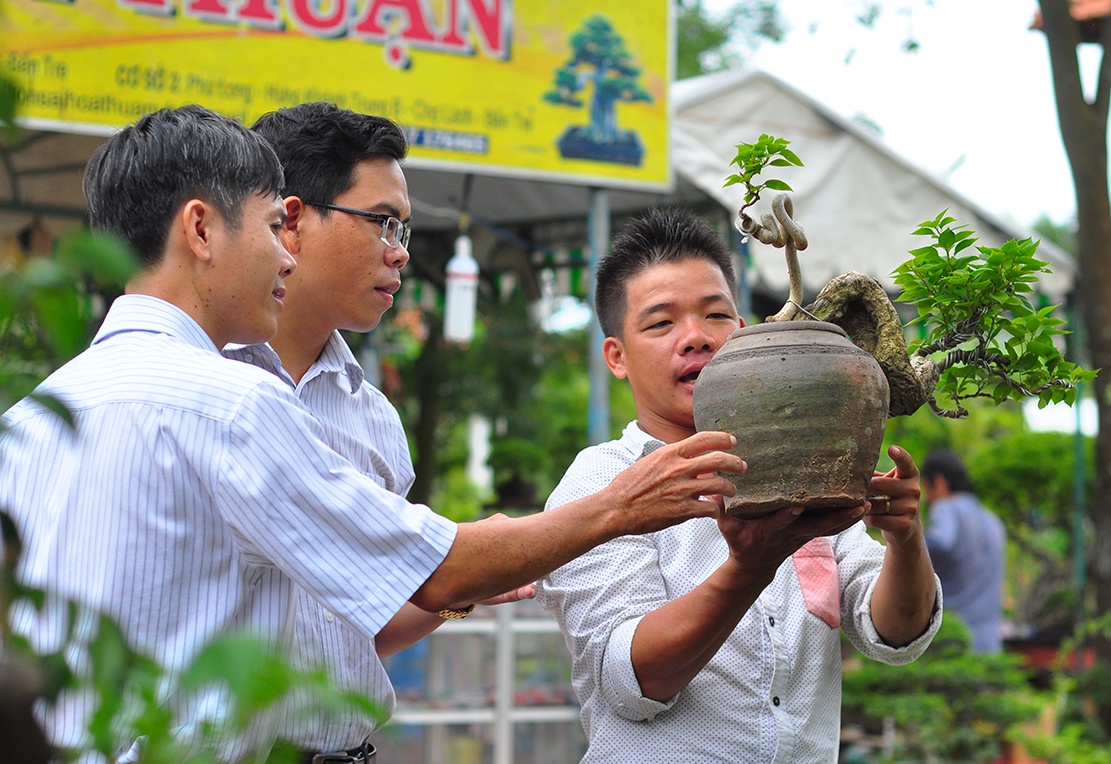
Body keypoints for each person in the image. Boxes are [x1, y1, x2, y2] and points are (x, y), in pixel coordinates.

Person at [0, 106, 748, 762]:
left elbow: (369, 607)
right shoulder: (231, 404)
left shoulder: (32, 415)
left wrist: (466, 580)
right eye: (272, 226)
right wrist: (620, 505)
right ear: (201, 228)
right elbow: (441, 570)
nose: (284, 252)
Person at [534, 207, 943, 763]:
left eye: (716, 315)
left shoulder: (811, 462)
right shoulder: (599, 484)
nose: (696, 338)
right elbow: (631, 682)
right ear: (617, 357)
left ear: (746, 331)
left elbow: (894, 635)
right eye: (661, 324)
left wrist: (904, 538)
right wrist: (749, 568)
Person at [226, 102, 524, 756]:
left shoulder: (373, 418)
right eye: (383, 222)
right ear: (292, 221)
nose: (400, 253)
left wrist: (458, 591)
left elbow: (363, 626)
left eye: (404, 229)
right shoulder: (198, 389)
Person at [922, 448, 1007, 653]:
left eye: (925, 488)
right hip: (989, 637)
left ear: (939, 482)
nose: (926, 499)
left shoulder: (946, 508)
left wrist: (905, 541)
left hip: (952, 636)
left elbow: (941, 541)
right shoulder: (992, 519)